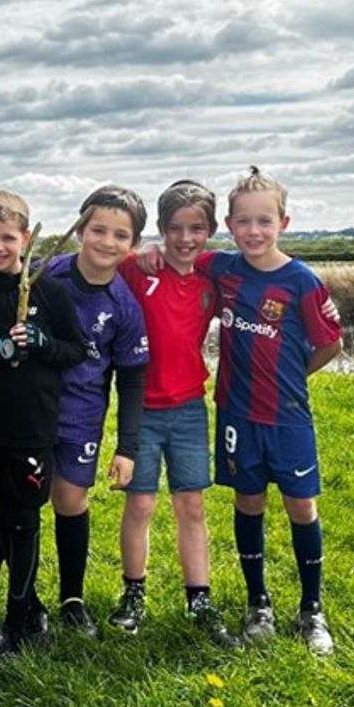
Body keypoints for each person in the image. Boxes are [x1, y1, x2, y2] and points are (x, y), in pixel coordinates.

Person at [0, 186, 149, 637]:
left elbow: (130, 377)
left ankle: (72, 598)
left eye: (120, 235)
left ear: (134, 244)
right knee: (4, 497)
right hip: (23, 409)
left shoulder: (123, 306)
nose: (106, 242)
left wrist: (127, 445)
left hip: (76, 417)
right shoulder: (48, 274)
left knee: (68, 500)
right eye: (98, 230)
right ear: (80, 231)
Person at [197, 166, 342, 653]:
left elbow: (330, 344)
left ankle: (312, 610)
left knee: (301, 505)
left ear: (284, 221)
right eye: (243, 222)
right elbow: (181, 259)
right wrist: (152, 254)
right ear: (229, 226)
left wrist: (291, 377)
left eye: (264, 221)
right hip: (237, 414)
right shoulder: (223, 269)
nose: (253, 232)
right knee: (248, 502)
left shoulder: (302, 281)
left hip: (287, 417)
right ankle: (258, 602)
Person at [0, 190, 87, 660]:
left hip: (32, 424)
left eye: (8, 237)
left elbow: (75, 350)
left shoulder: (48, 293)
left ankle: (23, 615)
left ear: (26, 238)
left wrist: (40, 342)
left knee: (23, 516)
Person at [117, 180, 240, 648]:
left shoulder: (212, 281)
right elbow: (101, 261)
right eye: (174, 229)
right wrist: (143, 247)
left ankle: (199, 598)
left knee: (191, 504)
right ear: (161, 229)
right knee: (141, 503)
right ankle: (133, 593)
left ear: (210, 230)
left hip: (190, 407)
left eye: (196, 229)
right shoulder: (138, 268)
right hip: (141, 408)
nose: (185, 239)